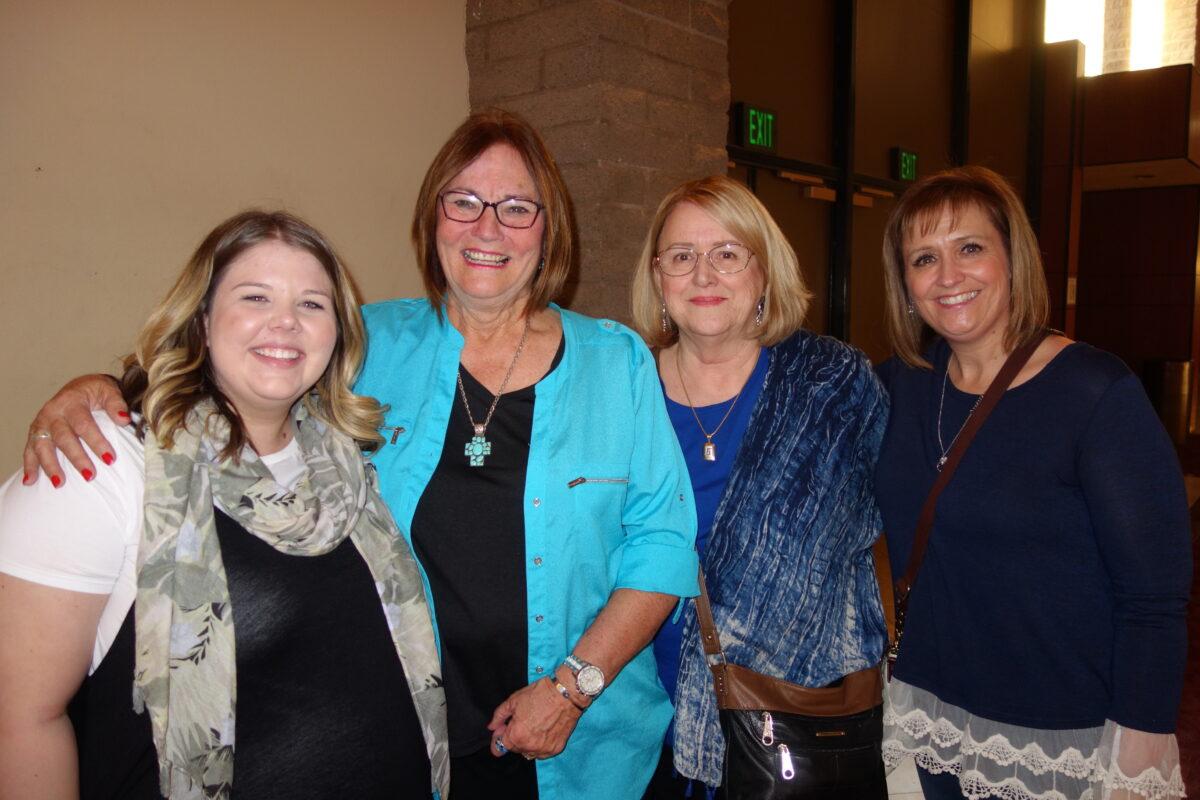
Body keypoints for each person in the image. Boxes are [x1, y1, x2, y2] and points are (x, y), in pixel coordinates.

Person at [18, 110, 700, 800]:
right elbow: (243, 374)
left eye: (516, 208)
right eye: (462, 201)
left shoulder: (616, 364)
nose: (486, 227)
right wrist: (102, 388)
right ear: (432, 217)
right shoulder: (365, 344)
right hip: (418, 740)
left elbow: (665, 543)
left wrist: (570, 688)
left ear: (549, 229)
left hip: (584, 747)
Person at [0, 210, 449, 799]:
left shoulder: (347, 464)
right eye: (255, 297)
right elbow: (21, 721)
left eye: (312, 305)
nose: (285, 322)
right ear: (203, 320)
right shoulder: (104, 463)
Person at [874, 166, 1191, 800]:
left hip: (1059, 735)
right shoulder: (897, 387)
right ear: (906, 285)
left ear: (1013, 258)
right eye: (924, 258)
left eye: (970, 248)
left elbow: (1154, 597)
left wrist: (1140, 740)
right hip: (931, 713)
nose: (948, 276)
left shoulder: (1094, 392)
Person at [629, 175, 891, 798]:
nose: (703, 275)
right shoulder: (622, 386)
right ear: (658, 278)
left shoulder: (832, 385)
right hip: (637, 710)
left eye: (727, 254)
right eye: (682, 257)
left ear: (764, 273)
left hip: (796, 715)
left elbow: (895, 521)